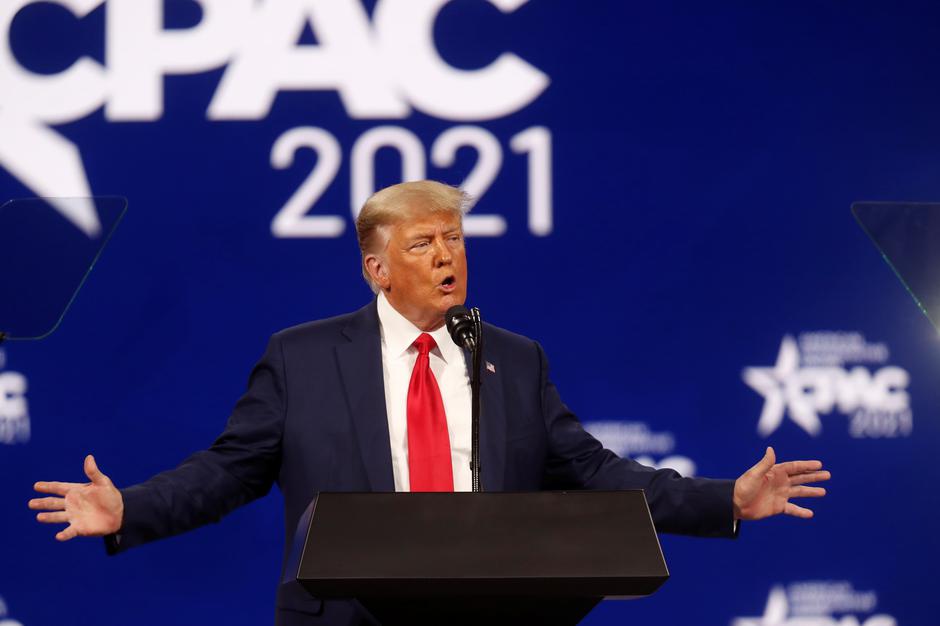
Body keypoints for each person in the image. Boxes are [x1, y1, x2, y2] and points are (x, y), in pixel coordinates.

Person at [28, 181, 830, 625]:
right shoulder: (303, 358)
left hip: (486, 624)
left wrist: (724, 497)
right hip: (346, 621)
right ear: (377, 269)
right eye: (423, 245)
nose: (447, 258)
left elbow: (595, 470)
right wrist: (130, 509)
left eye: (455, 240)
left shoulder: (511, 358)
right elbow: (229, 471)